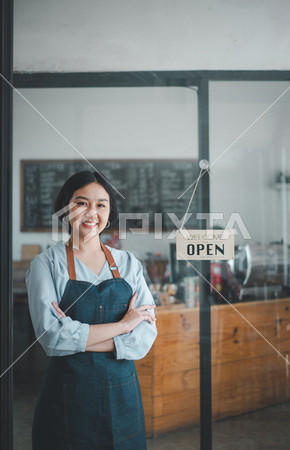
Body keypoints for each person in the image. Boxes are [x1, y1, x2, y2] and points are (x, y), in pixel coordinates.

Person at [26, 170, 157, 450]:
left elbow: (145, 336)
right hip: (67, 400)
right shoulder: (46, 265)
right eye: (81, 203)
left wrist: (76, 337)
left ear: (109, 213)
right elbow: (51, 338)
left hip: (123, 396)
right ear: (65, 207)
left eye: (101, 204)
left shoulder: (129, 263)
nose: (91, 212)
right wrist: (123, 326)